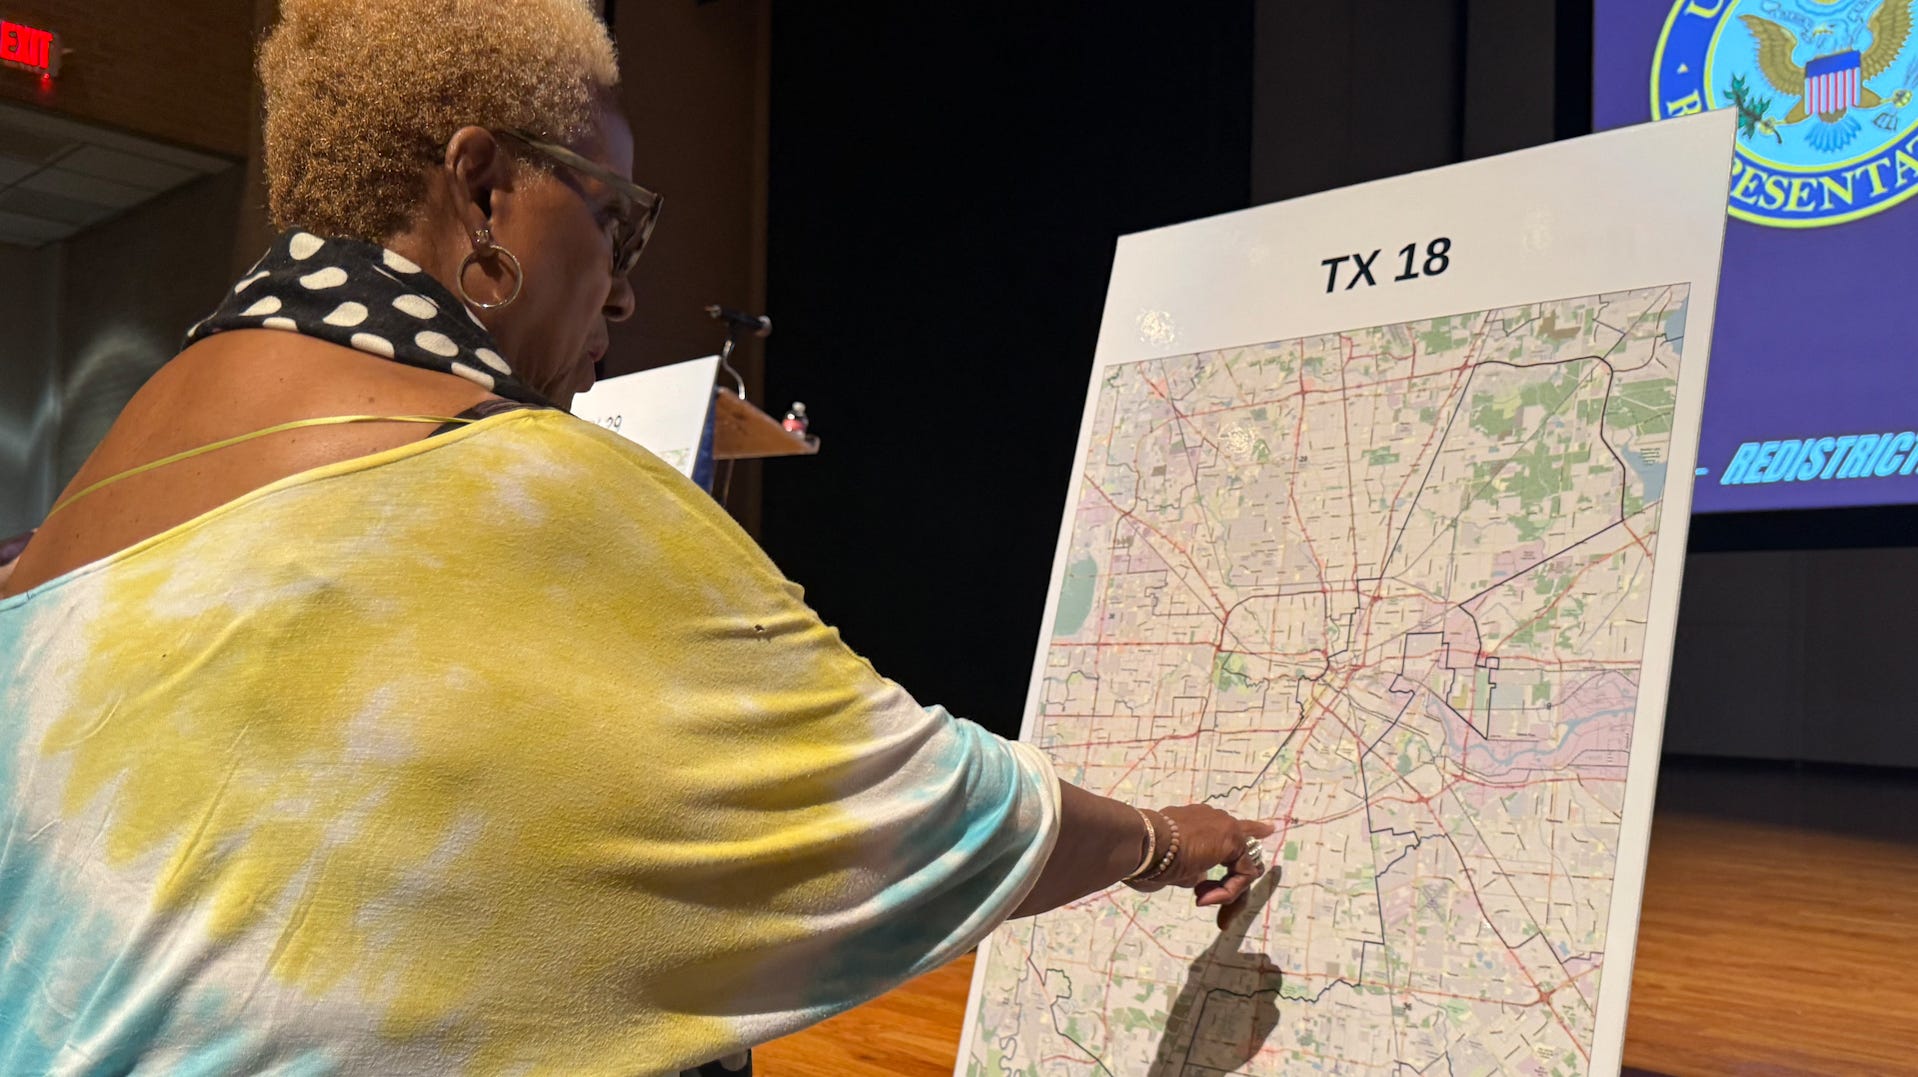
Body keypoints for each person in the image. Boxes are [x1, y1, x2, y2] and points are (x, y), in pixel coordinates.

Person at [0, 1, 1274, 1074]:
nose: (621, 290)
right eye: (615, 218)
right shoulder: (518, 484)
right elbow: (906, 805)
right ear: (483, 188)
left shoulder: (84, 504)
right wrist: (1157, 842)